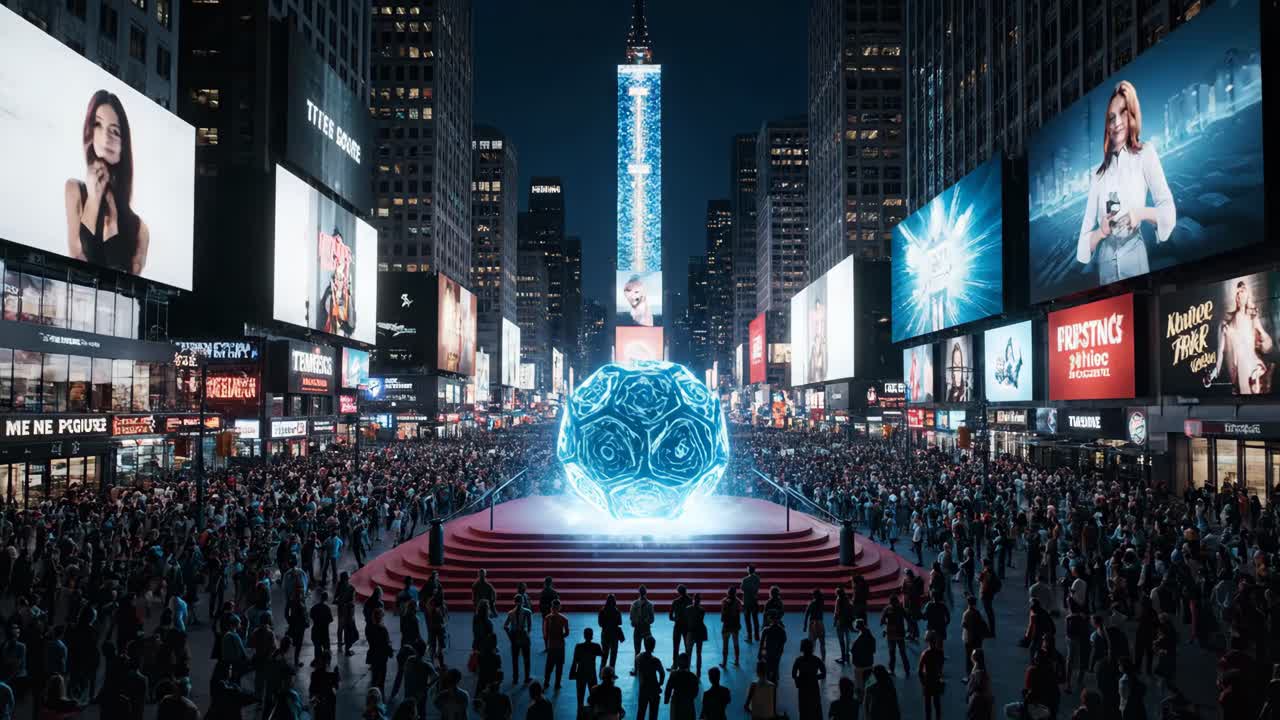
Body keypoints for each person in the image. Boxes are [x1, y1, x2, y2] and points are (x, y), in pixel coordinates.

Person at [1075, 79, 1176, 285]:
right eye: (1111, 118)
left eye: (1123, 112)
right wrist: (1101, 232)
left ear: (1132, 114)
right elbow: (1083, 249)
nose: (1117, 123)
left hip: (1136, 259)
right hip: (1106, 269)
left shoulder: (1145, 153)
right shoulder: (1098, 174)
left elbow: (1169, 213)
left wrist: (1140, 213)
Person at [63, 90, 151, 275]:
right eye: (98, 125)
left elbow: (127, 286)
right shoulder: (74, 190)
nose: (106, 137)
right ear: (90, 131)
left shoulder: (140, 230)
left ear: (123, 144)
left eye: (115, 131)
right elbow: (76, 259)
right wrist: (94, 201)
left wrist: (113, 223)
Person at [1207, 280, 1276, 394]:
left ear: (1247, 295)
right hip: (1240, 368)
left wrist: (1264, 340)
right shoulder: (1225, 323)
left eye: (1243, 293)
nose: (1239, 297)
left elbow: (1267, 344)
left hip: (1253, 365)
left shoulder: (1252, 316)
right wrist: (1214, 373)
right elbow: (1220, 353)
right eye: (1238, 294)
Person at [792, 638, 827, 720]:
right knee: (815, 708)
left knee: (803, 709)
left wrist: (798, 680)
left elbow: (793, 674)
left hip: (803, 688)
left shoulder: (799, 660)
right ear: (812, 648)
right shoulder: (816, 660)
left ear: (802, 649)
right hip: (813, 687)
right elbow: (823, 674)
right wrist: (814, 677)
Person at [569, 628, 602, 709]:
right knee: (594, 696)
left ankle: (580, 713)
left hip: (581, 673)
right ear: (592, 636)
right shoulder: (596, 646)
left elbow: (575, 661)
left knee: (580, 698)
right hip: (591, 673)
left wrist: (573, 673)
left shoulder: (579, 647)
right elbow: (603, 655)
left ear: (584, 636)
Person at [504, 596, 533, 685]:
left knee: (515, 659)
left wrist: (510, 636)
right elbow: (529, 626)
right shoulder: (527, 612)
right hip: (523, 635)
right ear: (523, 601)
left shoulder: (510, 613)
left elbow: (505, 626)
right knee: (526, 658)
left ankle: (515, 678)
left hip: (514, 635)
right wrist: (527, 634)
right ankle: (526, 677)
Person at [635, 637, 665, 720]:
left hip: (643, 688)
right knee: (653, 714)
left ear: (644, 645)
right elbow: (662, 673)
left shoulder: (638, 657)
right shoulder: (655, 660)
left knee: (641, 712)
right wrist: (660, 683)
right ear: (654, 646)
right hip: (654, 688)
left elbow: (638, 670)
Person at [542, 600, 569, 691]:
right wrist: (560, 636)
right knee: (559, 666)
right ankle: (557, 683)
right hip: (560, 645)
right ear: (559, 607)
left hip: (551, 645)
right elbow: (567, 633)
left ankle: (546, 682)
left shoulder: (547, 618)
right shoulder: (564, 619)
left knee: (549, 665)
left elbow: (545, 634)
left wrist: (547, 644)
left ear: (552, 607)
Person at [917, 631, 945, 720]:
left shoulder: (925, 654)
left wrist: (922, 681)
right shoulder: (940, 652)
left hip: (927, 680)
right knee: (937, 703)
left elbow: (920, 670)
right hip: (936, 679)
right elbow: (940, 666)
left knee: (927, 705)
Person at [664, 654, 700, 720]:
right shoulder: (693, 676)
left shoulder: (673, 675)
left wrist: (667, 699)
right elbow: (695, 691)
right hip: (688, 702)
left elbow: (668, 688)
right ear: (688, 663)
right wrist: (691, 697)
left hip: (676, 702)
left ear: (678, 663)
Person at [879, 596, 909, 676]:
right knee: (902, 653)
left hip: (892, 634)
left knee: (893, 653)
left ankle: (892, 670)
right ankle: (907, 670)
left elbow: (882, 621)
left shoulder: (887, 609)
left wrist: (888, 625)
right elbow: (908, 619)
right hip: (899, 634)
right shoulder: (901, 609)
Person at [629, 587, 655, 677]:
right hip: (646, 629)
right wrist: (645, 621)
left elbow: (631, 619)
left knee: (637, 651)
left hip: (638, 629)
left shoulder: (634, 604)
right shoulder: (650, 605)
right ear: (646, 593)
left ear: (639, 593)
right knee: (649, 650)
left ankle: (636, 670)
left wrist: (637, 622)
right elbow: (652, 619)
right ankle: (648, 668)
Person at [597, 595, 624, 673]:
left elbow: (600, 624)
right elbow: (620, 622)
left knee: (604, 655)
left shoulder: (602, 610)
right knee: (613, 655)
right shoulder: (616, 611)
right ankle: (612, 673)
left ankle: (601, 672)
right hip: (614, 635)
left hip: (605, 634)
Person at [683, 594, 708, 675]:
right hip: (699, 632)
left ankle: (687, 669)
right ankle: (698, 671)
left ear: (693, 599)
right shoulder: (702, 610)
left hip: (691, 632)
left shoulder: (688, 609)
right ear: (700, 601)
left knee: (688, 652)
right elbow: (700, 621)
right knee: (699, 653)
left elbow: (687, 620)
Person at [966, 649, 992, 720]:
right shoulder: (984, 672)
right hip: (985, 702)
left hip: (976, 701)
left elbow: (970, 688)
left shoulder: (976, 672)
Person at [851, 618, 876, 691]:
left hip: (860, 665)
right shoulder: (870, 636)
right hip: (869, 663)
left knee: (859, 684)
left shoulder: (859, 639)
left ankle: (861, 695)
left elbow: (853, 650)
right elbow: (873, 650)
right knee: (869, 683)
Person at [670, 586, 692, 668]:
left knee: (676, 646)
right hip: (686, 626)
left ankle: (675, 664)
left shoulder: (675, 602)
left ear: (678, 592)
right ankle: (687, 665)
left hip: (678, 626)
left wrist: (676, 619)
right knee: (687, 646)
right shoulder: (690, 601)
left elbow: (670, 616)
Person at [720, 586, 742, 668]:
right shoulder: (738, 602)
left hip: (726, 626)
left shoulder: (724, 602)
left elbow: (722, 617)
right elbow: (738, 614)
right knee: (736, 644)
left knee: (725, 645)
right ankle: (737, 660)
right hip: (735, 626)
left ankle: (724, 663)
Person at [804, 589, 828, 662]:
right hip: (820, 623)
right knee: (822, 643)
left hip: (813, 623)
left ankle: (810, 659)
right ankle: (823, 659)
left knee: (811, 643)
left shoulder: (812, 604)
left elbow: (807, 614)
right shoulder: (821, 602)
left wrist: (805, 625)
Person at [742, 567, 761, 644]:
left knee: (748, 620)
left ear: (748, 571)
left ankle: (749, 637)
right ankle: (757, 636)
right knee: (755, 619)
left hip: (747, 602)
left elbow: (742, 588)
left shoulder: (745, 579)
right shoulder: (757, 578)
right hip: (754, 601)